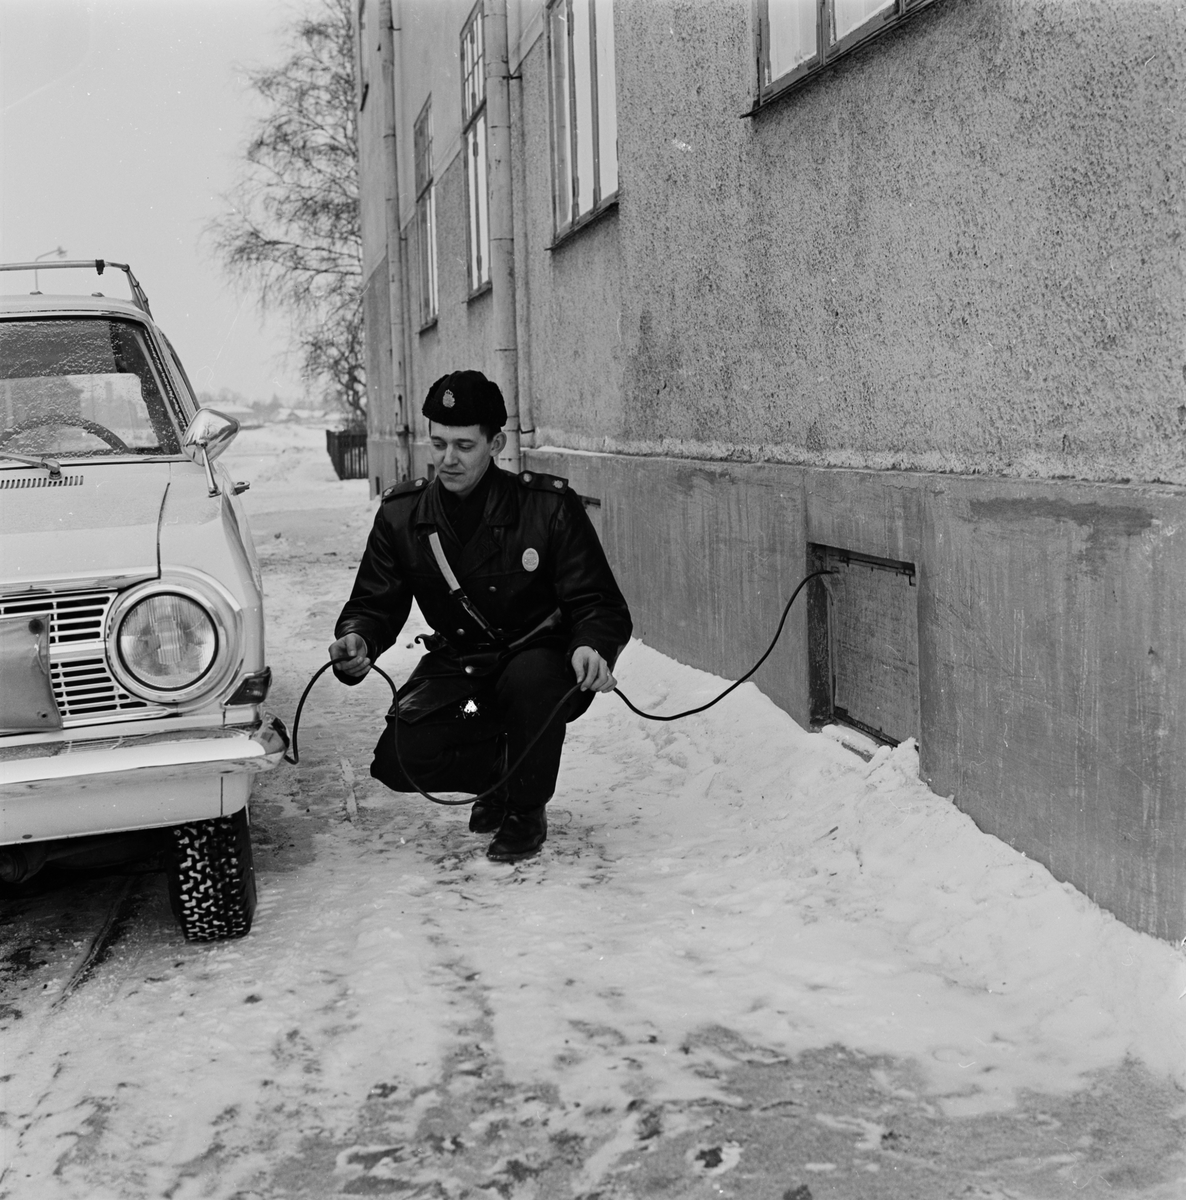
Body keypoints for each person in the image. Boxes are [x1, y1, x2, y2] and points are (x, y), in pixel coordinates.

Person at [328, 370, 633, 861]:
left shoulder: (547, 507)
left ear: (496, 443)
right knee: (402, 757)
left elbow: (599, 603)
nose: (448, 459)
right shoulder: (402, 516)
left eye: (464, 445)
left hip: (539, 674)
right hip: (467, 682)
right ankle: (501, 774)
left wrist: (591, 645)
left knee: (530, 682)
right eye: (439, 443)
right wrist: (358, 638)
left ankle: (526, 807)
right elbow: (374, 603)